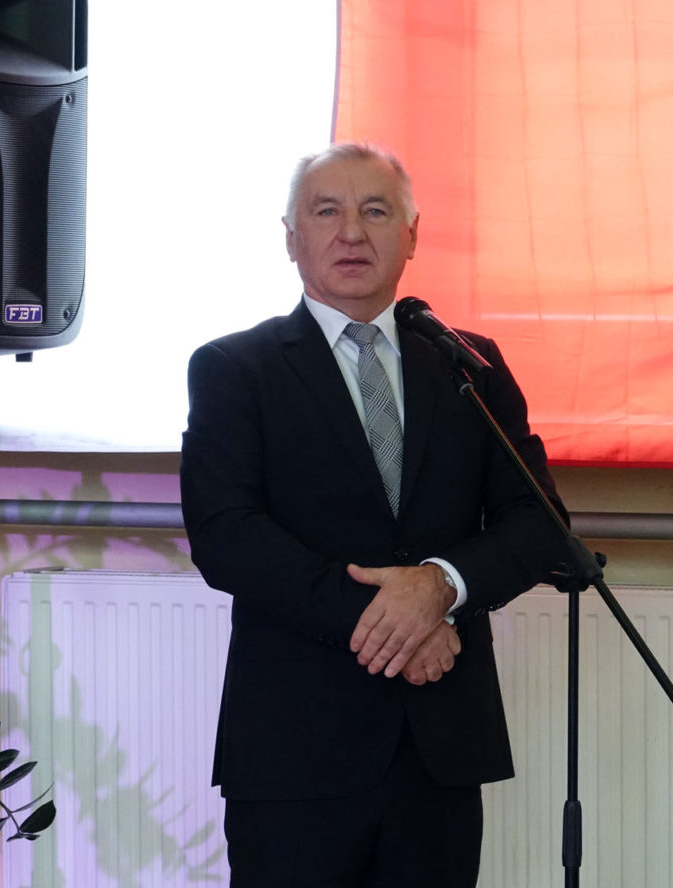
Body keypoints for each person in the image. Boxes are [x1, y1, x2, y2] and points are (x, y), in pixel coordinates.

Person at [179, 142, 569, 887]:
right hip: (295, 745)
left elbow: (538, 520)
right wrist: (397, 618)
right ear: (291, 237)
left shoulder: (468, 365)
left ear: (413, 234)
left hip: (440, 743)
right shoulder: (235, 369)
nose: (351, 232)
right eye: (327, 211)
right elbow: (227, 536)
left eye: (376, 210)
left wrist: (442, 585)